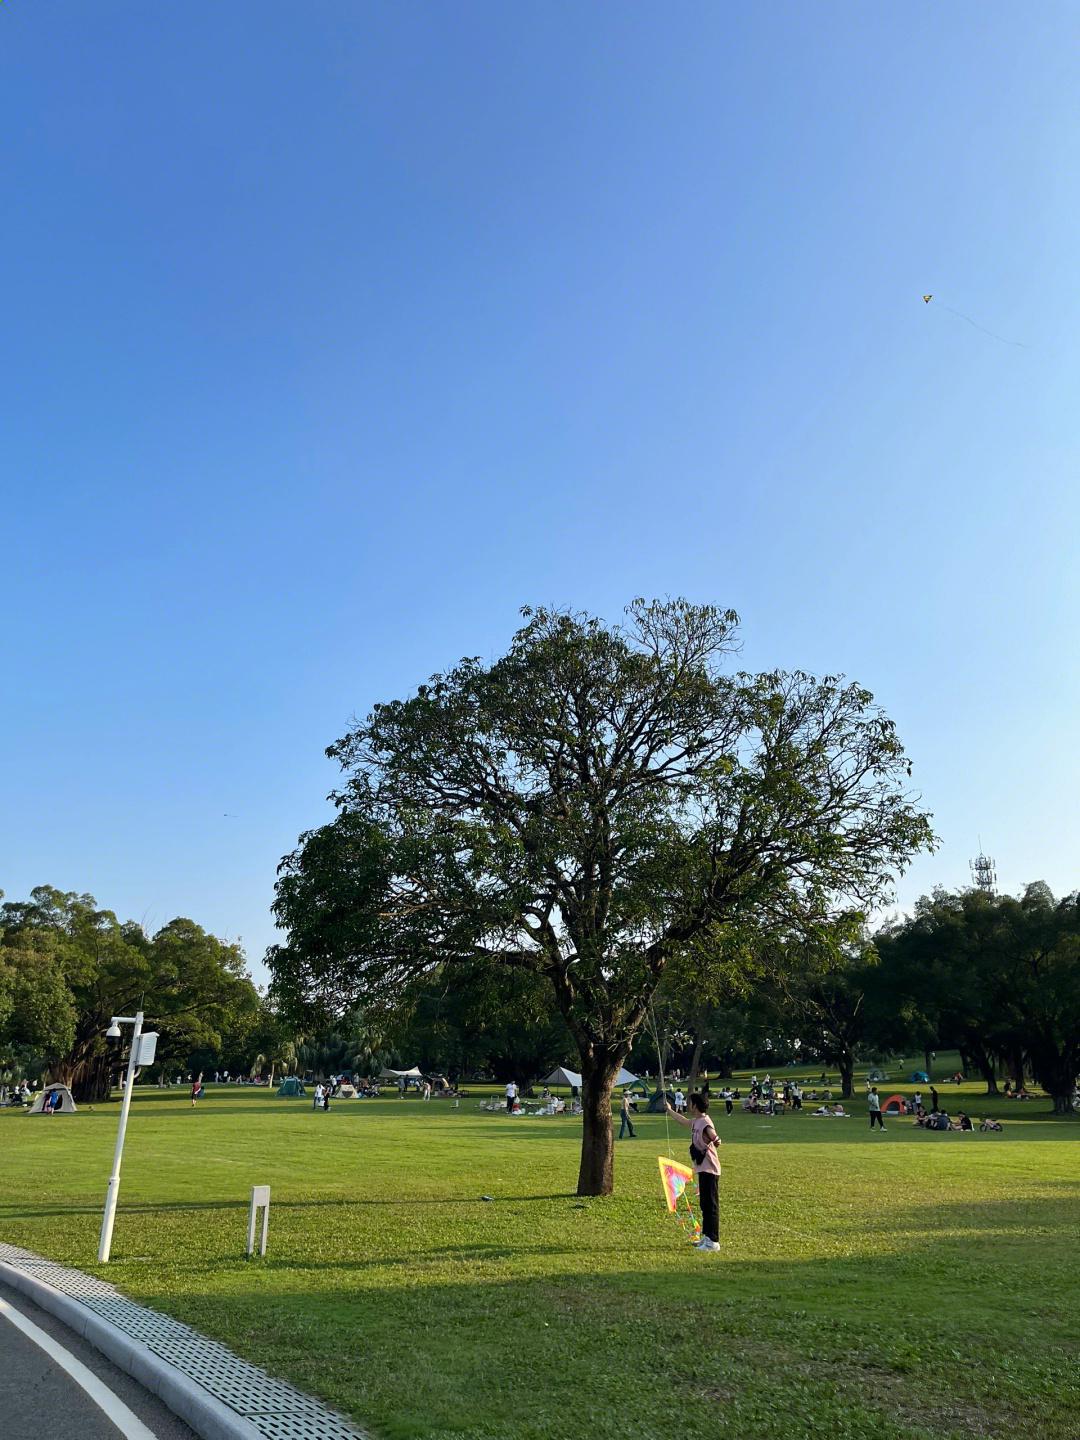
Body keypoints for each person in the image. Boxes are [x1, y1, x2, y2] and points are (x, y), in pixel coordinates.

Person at [666, 1093, 721, 1251]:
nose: (688, 1105)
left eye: (690, 1103)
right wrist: (669, 1110)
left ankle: (713, 1242)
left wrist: (715, 1140)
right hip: (703, 1169)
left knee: (710, 1206)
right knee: (704, 1205)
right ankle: (707, 1237)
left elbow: (713, 1136)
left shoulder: (704, 1122)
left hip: (710, 1169)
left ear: (695, 1105)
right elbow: (683, 1121)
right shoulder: (696, 1121)